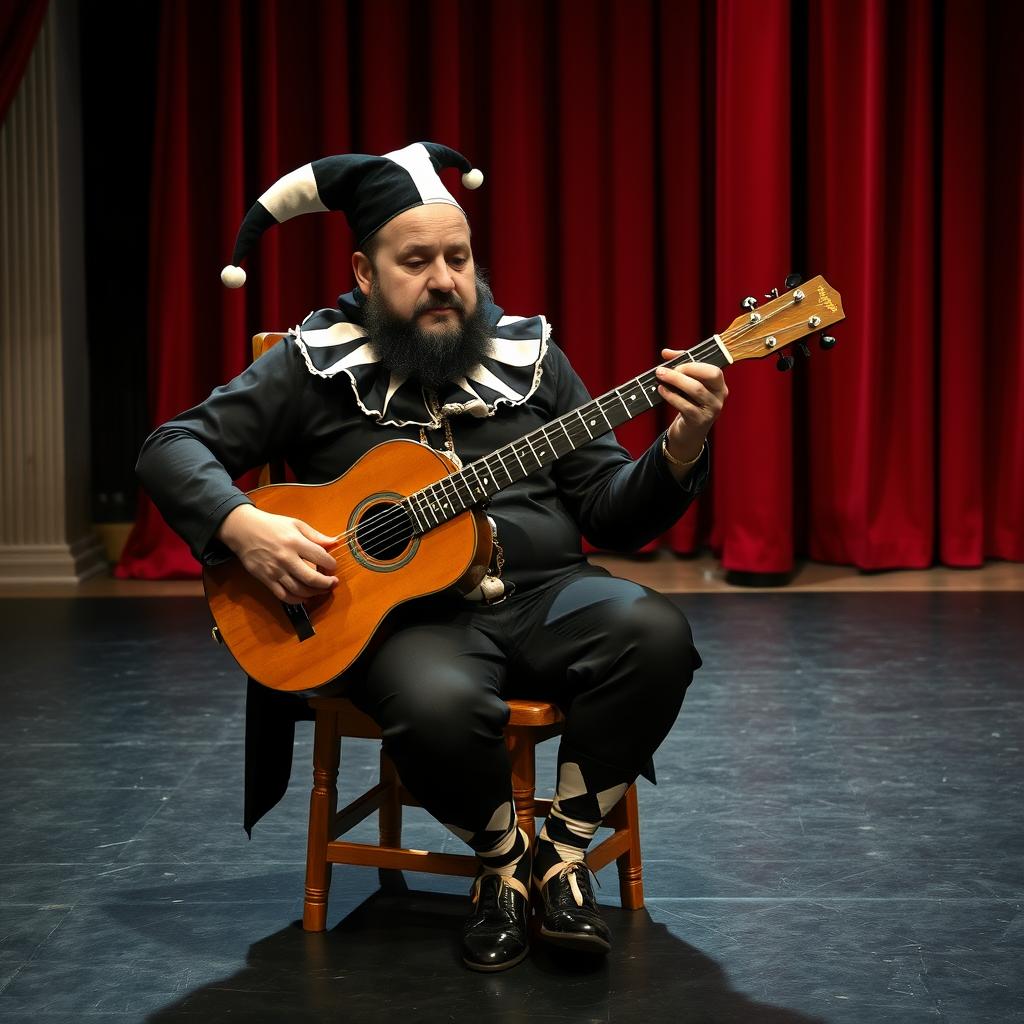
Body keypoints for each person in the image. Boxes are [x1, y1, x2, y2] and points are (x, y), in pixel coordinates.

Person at [136, 142, 727, 972]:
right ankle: (502, 862)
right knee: (435, 701)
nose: (446, 279)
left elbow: (609, 511)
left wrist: (681, 445)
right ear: (365, 272)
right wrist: (243, 527)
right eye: (416, 261)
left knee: (657, 634)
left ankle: (557, 854)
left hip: (545, 595)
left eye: (459, 257)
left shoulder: (533, 358)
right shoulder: (314, 366)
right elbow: (171, 447)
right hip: (413, 622)